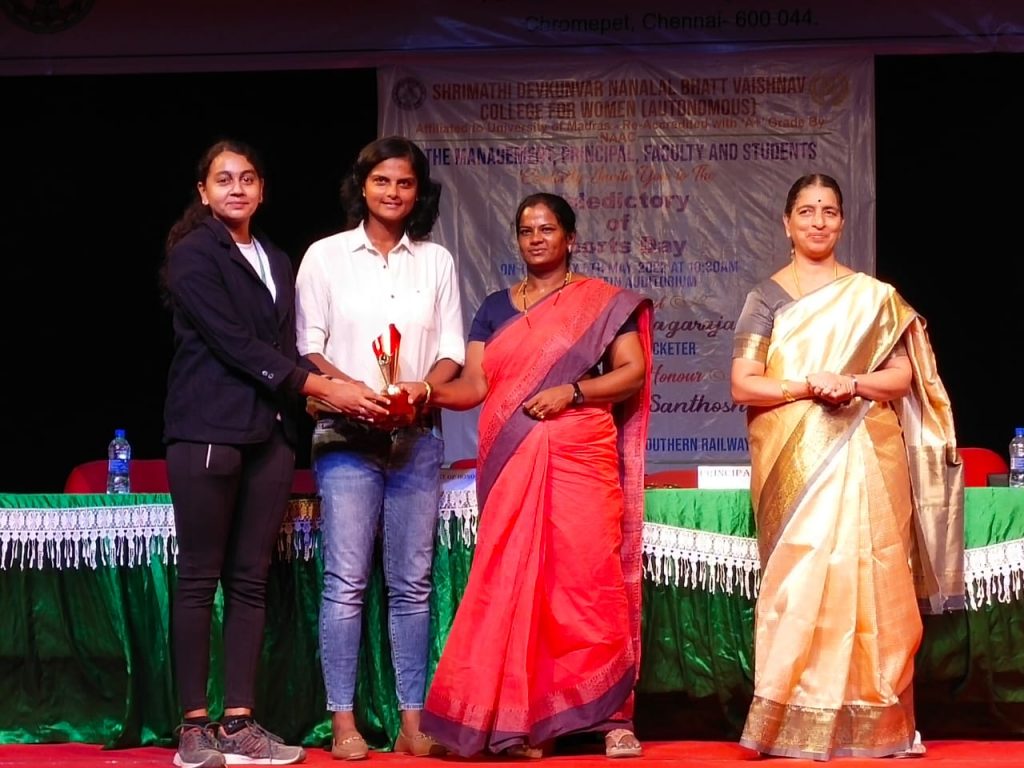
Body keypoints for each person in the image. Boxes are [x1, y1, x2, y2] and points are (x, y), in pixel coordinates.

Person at [162, 139, 389, 768]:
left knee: (250, 579)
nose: (236, 188)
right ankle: (193, 728)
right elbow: (234, 344)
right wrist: (321, 387)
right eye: (223, 179)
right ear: (203, 191)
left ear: (262, 191)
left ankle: (239, 723)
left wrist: (327, 393)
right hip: (208, 429)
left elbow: (284, 345)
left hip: (271, 435)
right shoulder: (192, 253)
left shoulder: (276, 257)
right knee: (198, 578)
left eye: (248, 179)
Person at [410, 192, 653, 759]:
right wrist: (425, 392)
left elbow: (632, 373)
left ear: (570, 238)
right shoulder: (494, 308)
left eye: (547, 229)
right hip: (510, 461)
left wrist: (574, 391)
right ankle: (521, 721)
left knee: (587, 583)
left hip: (581, 454)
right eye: (526, 230)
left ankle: (613, 718)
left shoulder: (600, 303)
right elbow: (475, 385)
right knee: (512, 582)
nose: (536, 238)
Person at [730, 173, 964, 760]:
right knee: (799, 582)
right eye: (806, 211)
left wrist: (851, 383)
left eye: (829, 211)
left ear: (841, 222)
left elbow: (901, 377)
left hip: (866, 454)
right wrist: (810, 385)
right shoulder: (765, 297)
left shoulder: (874, 299)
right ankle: (787, 718)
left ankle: (879, 719)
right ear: (787, 223)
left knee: (875, 575)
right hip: (794, 463)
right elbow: (743, 384)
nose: (818, 221)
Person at [294, 135, 465, 760]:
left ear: (419, 193)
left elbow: (451, 351)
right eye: (382, 181)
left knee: (412, 585)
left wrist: (421, 389)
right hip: (345, 437)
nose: (393, 192)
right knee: (345, 582)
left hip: (415, 436)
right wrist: (351, 393)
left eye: (405, 183)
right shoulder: (326, 256)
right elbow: (307, 347)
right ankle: (344, 722)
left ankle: (412, 723)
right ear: (362, 186)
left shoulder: (436, 261)